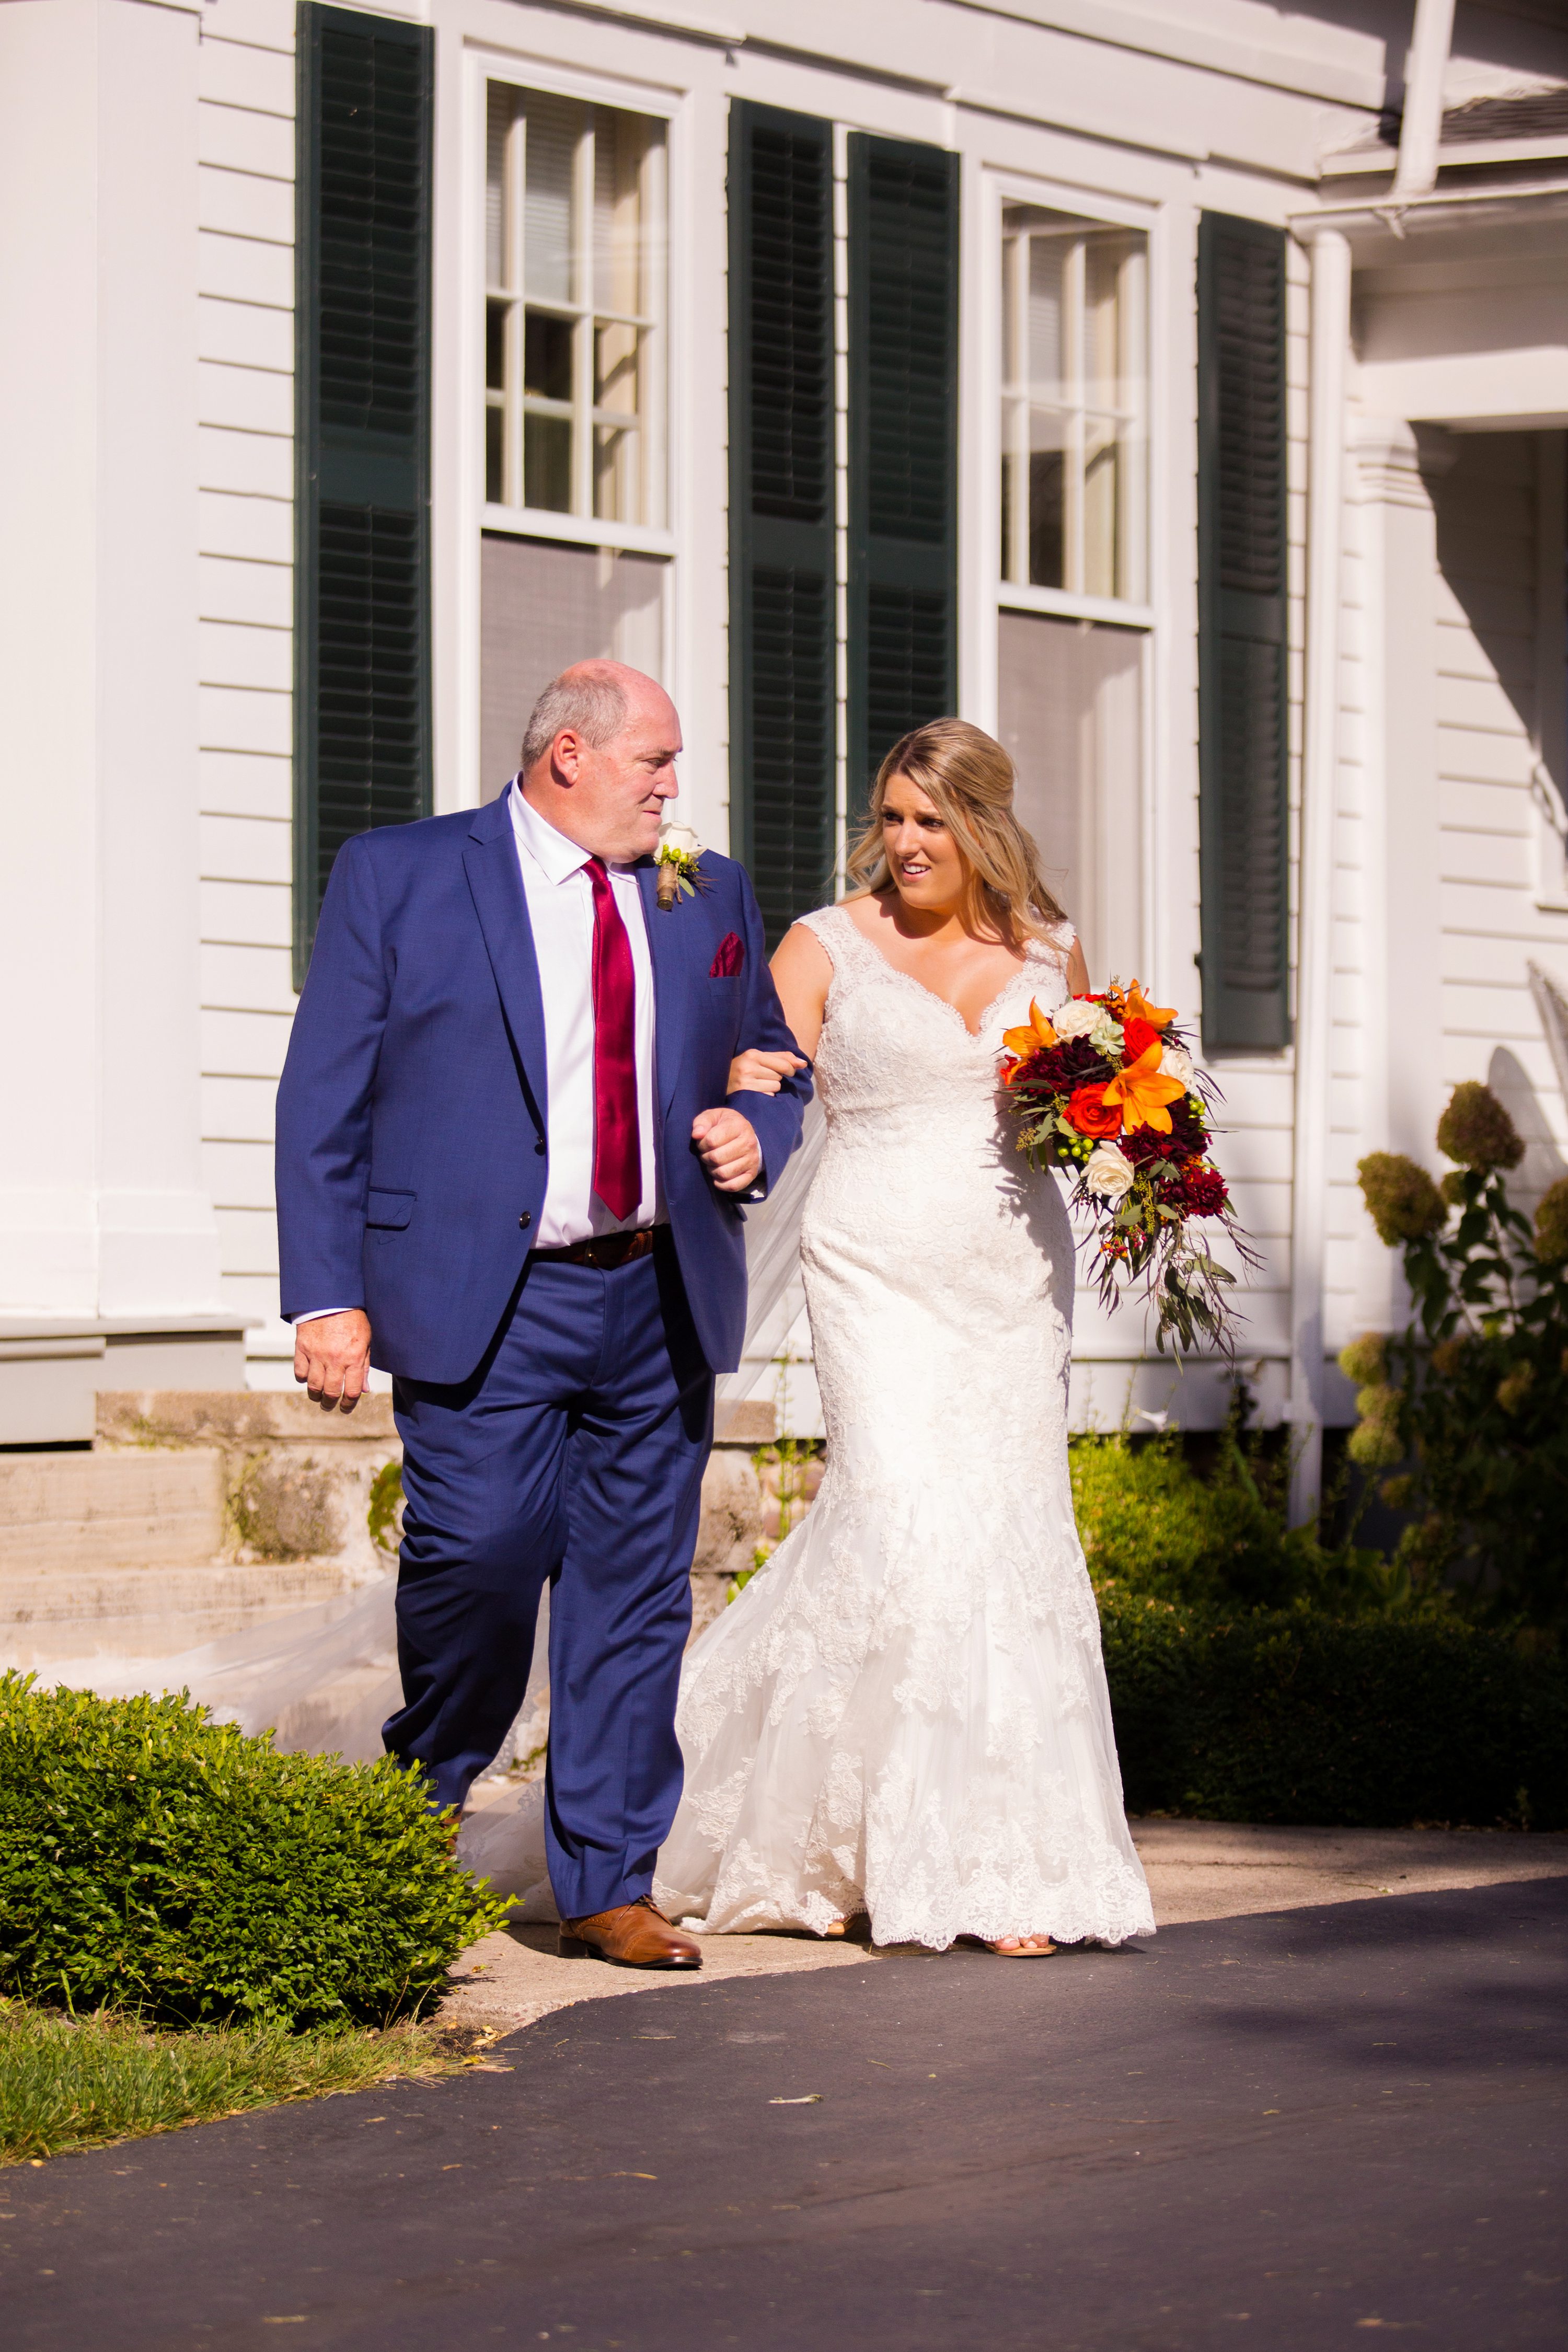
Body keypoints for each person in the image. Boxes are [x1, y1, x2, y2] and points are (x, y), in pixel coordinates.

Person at [275, 661, 811, 1970]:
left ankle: (609, 1883)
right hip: (483, 1297)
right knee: (482, 1558)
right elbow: (321, 1098)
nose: (674, 789)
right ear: (569, 754)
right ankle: (422, 1802)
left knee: (635, 1598)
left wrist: (758, 1123)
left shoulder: (708, 890)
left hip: (660, 1289)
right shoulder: (402, 875)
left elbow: (775, 1055)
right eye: (655, 763)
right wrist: (327, 1296)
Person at [656, 718, 1156, 1954]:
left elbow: (1092, 1106)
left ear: (982, 825)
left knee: (1008, 1533)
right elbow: (760, 1072)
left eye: (933, 820)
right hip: (871, 1260)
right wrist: (738, 1117)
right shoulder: (824, 943)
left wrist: (1142, 1148)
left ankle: (1000, 1861)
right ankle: (845, 1845)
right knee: (896, 1509)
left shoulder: (1052, 949)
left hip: (1009, 1277)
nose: (910, 842)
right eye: (892, 817)